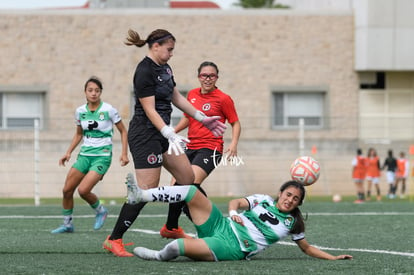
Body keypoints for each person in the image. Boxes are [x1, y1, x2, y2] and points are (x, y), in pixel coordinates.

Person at [103, 29, 226, 256]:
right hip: (145, 135)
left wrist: (202, 118)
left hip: (163, 133)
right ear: (156, 46)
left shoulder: (165, 68)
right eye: (169, 50)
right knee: (146, 189)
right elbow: (149, 109)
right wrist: (168, 132)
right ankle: (114, 239)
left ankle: (171, 227)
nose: (171, 54)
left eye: (172, 50)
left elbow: (176, 97)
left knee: (187, 178)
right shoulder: (144, 71)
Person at [124, 176, 353, 261]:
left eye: (295, 199)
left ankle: (156, 256)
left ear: (298, 204)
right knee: (191, 190)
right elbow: (235, 203)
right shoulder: (262, 199)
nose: (290, 200)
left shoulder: (293, 223)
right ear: (280, 193)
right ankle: (140, 195)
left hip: (232, 246)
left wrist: (332, 258)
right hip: (223, 224)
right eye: (288, 194)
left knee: (176, 246)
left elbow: (307, 248)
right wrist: (233, 214)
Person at [160, 61, 241, 239]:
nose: (208, 79)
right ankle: (175, 227)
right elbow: (188, 118)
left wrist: (233, 144)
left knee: (186, 185)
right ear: (199, 77)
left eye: (212, 75)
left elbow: (235, 122)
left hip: (211, 149)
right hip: (190, 147)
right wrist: (172, 132)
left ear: (217, 78)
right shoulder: (192, 94)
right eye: (204, 75)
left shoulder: (223, 98)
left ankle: (175, 227)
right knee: (177, 188)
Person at [51, 76, 129, 234]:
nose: (93, 93)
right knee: (67, 190)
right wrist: (68, 153)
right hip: (85, 155)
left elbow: (123, 131)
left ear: (101, 92)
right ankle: (67, 224)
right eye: (90, 90)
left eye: (97, 91)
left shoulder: (108, 110)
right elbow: (78, 134)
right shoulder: (80, 111)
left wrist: (124, 153)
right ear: (85, 92)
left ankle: (101, 211)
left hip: (102, 156)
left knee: (84, 190)